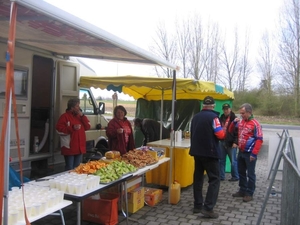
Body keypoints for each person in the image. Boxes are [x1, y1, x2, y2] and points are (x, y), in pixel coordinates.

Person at [189, 96, 225, 219]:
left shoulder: (195, 117)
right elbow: (220, 134)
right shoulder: (214, 118)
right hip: (210, 153)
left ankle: (197, 205)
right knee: (214, 179)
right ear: (214, 106)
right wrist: (224, 131)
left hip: (197, 152)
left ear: (203, 105)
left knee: (198, 179)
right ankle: (208, 208)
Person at [232, 103, 263, 202]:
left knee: (250, 174)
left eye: (243, 113)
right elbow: (233, 131)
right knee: (241, 172)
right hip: (241, 152)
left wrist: (254, 153)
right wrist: (233, 123)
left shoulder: (255, 124)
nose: (241, 115)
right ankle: (242, 190)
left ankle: (249, 193)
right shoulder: (241, 122)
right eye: (240, 113)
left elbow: (259, 139)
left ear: (249, 112)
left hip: (250, 154)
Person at [56, 98, 91, 171]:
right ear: (72, 107)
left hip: (79, 148)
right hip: (69, 148)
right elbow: (58, 130)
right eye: (77, 106)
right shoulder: (64, 116)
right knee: (69, 168)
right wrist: (72, 128)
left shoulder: (80, 117)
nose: (79, 108)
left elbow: (88, 126)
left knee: (77, 169)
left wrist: (82, 116)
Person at [219, 103, 239, 181]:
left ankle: (235, 176)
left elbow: (238, 132)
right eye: (224, 109)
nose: (226, 110)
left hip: (231, 143)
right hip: (222, 142)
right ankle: (221, 176)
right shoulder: (221, 118)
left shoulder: (235, 119)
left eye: (227, 109)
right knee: (221, 160)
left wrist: (236, 142)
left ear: (230, 109)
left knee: (233, 161)